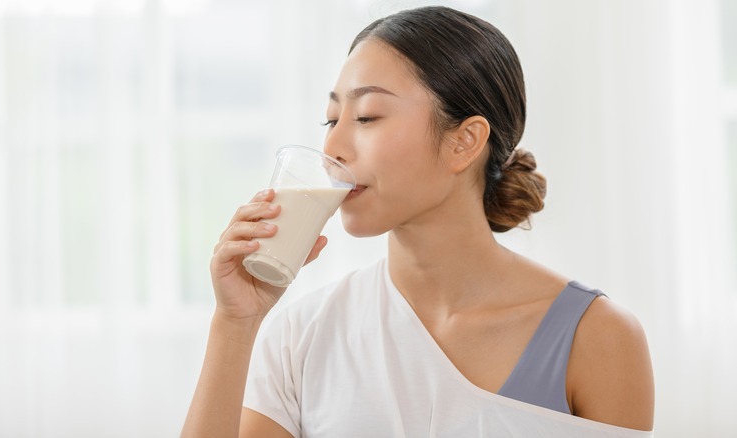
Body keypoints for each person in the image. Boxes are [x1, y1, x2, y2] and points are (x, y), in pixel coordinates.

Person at [182, 6, 654, 437]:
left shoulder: (597, 338)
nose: (333, 148)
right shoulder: (301, 336)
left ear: (464, 142)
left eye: (367, 116)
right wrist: (235, 323)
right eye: (332, 120)